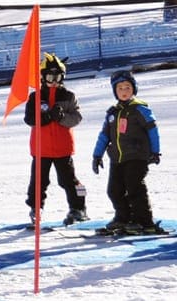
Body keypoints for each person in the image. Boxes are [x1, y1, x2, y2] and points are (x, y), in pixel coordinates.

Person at [92, 70, 164, 235]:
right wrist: (97, 155)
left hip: (137, 156)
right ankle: (123, 217)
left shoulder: (140, 109)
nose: (124, 91)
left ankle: (144, 221)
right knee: (114, 190)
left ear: (134, 89)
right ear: (115, 92)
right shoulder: (112, 113)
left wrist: (155, 151)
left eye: (127, 87)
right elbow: (104, 135)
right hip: (117, 158)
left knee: (134, 188)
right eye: (120, 88)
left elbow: (153, 130)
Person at [23, 52, 89, 227]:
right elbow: (29, 119)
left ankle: (79, 207)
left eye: (58, 76)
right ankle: (36, 209)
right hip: (41, 148)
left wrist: (61, 118)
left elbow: (77, 118)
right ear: (43, 77)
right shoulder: (35, 97)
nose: (54, 80)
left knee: (68, 180)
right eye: (50, 76)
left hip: (62, 148)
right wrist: (45, 118)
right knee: (38, 182)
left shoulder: (68, 96)